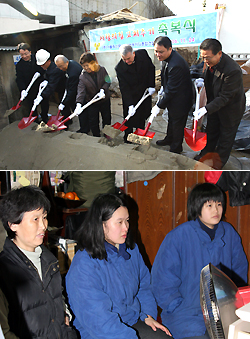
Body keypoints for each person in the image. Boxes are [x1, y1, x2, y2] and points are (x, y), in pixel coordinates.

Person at [66, 193, 171, 339]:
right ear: (101, 225)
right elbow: (99, 322)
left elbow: (144, 286)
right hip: (100, 333)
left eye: (127, 221)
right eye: (119, 222)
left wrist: (148, 315)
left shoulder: (131, 250)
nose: (126, 227)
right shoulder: (84, 265)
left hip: (132, 320)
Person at [151, 182, 248, 339]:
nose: (216, 210)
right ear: (197, 207)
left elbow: (239, 271)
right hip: (187, 314)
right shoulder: (178, 236)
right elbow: (161, 280)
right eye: (209, 205)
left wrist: (234, 304)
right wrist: (177, 306)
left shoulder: (229, 232)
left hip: (225, 312)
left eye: (218, 204)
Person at [0, 185, 76, 339]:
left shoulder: (49, 259)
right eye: (35, 219)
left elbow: (57, 296)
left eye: (44, 217)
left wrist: (65, 315)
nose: (43, 226)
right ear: (13, 224)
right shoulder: (4, 270)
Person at [193, 38, 246, 169]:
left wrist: (206, 109)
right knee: (211, 131)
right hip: (214, 104)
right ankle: (205, 154)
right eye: (203, 57)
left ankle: (217, 163)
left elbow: (226, 97)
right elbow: (209, 78)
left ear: (219, 54)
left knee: (225, 138)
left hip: (230, 109)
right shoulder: (208, 61)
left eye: (208, 58)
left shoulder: (232, 70)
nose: (205, 60)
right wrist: (201, 80)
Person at [152, 36, 193, 154]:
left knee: (177, 124)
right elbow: (167, 81)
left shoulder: (176, 64)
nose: (158, 54)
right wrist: (162, 90)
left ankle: (176, 148)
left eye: (161, 52)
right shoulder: (167, 58)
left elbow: (172, 90)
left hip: (181, 99)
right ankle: (169, 139)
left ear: (170, 49)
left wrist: (159, 105)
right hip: (173, 96)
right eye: (156, 51)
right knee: (171, 120)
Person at [115, 44, 155, 143]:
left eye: (129, 58)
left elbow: (151, 68)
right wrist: (130, 105)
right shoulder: (119, 68)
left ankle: (139, 135)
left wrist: (151, 85)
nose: (127, 62)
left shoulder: (143, 54)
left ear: (133, 53)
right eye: (124, 59)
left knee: (142, 115)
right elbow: (124, 88)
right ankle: (127, 137)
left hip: (143, 92)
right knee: (129, 118)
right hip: (131, 95)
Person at [74, 52, 111, 136]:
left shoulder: (102, 70)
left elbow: (108, 81)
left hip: (104, 99)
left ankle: (107, 134)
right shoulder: (83, 76)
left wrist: (103, 89)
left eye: (87, 65)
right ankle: (96, 136)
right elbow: (81, 91)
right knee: (93, 120)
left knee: (106, 118)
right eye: (84, 66)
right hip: (92, 101)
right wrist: (78, 104)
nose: (86, 68)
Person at [35, 49, 66, 123]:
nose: (42, 66)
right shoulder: (46, 68)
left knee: (64, 105)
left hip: (63, 88)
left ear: (48, 61)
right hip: (55, 88)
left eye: (43, 64)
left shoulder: (54, 70)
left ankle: (67, 122)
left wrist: (42, 95)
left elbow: (51, 86)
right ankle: (44, 117)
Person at [15, 43, 44, 115]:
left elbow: (44, 69)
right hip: (30, 88)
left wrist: (45, 79)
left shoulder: (37, 59)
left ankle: (45, 118)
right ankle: (35, 121)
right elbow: (19, 78)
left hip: (41, 85)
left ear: (30, 52)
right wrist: (22, 89)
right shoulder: (19, 65)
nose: (24, 56)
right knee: (32, 105)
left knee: (44, 103)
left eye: (26, 54)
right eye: (22, 55)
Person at [54, 55, 82, 128]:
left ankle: (84, 128)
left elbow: (72, 91)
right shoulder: (71, 63)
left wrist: (64, 103)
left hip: (80, 92)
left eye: (61, 66)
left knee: (79, 111)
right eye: (58, 67)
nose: (60, 69)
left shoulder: (73, 73)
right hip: (75, 89)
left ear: (66, 62)